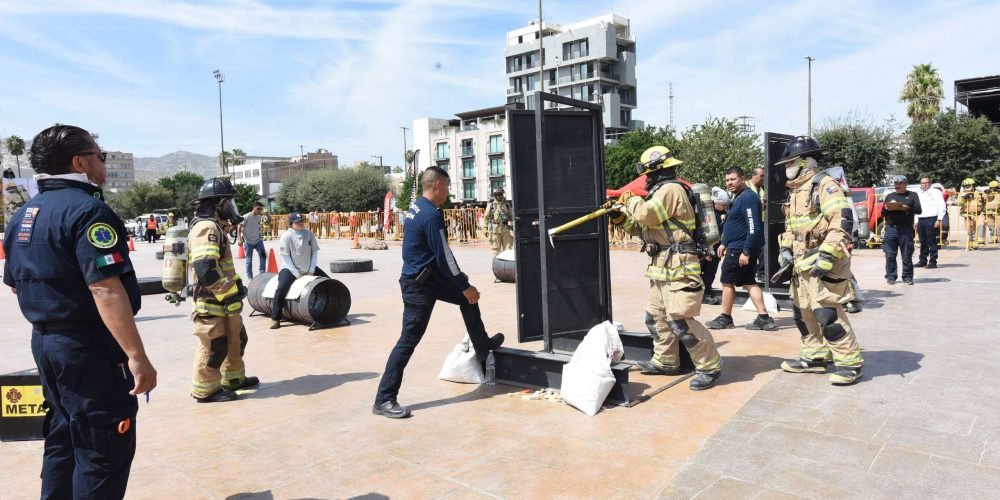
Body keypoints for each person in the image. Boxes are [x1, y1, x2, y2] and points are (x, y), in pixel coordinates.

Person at [2, 125, 157, 498]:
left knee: (64, 435)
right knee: (103, 445)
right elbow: (104, 288)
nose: (103, 163)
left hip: (46, 344)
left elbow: (15, 283)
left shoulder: (23, 215)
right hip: (89, 348)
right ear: (80, 163)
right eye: (100, 156)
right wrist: (136, 356)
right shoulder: (89, 211)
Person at [373, 166, 504, 418]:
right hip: (418, 286)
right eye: (447, 186)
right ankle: (384, 399)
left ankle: (482, 346)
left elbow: (437, 256)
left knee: (469, 299)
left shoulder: (417, 207)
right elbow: (444, 255)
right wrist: (463, 284)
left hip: (430, 278)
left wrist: (463, 285)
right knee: (408, 341)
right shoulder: (430, 215)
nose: (448, 192)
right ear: (437, 185)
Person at [613, 145, 723, 390]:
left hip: (680, 267)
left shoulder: (670, 189)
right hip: (661, 267)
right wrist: (620, 219)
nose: (646, 179)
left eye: (648, 173)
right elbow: (646, 229)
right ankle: (666, 360)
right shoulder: (660, 192)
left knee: (681, 322)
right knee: (656, 318)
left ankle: (709, 367)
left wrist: (630, 199)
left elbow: (647, 215)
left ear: (658, 170)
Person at [774, 136, 863, 385]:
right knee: (803, 312)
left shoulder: (825, 185)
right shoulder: (796, 190)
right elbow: (792, 227)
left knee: (827, 313)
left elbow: (841, 221)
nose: (786, 167)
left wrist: (827, 255)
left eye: (790, 162)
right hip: (801, 262)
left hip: (823, 261)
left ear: (805, 161)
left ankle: (850, 363)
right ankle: (815, 356)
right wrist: (785, 248)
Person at [188, 177, 258, 403]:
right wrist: (228, 294)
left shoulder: (216, 227)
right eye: (229, 202)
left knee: (237, 339)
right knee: (214, 347)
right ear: (217, 203)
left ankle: (234, 379)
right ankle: (205, 390)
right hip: (212, 301)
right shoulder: (206, 228)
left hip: (226, 300)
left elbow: (223, 266)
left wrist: (237, 286)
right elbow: (205, 268)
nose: (232, 207)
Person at [706, 166, 774, 330]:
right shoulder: (739, 197)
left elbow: (753, 226)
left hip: (740, 249)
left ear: (743, 179)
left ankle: (725, 317)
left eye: (733, 179)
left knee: (727, 281)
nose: (729, 183)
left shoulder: (748, 198)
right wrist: (724, 242)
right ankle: (764, 318)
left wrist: (746, 251)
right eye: (727, 180)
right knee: (749, 281)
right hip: (737, 246)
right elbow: (736, 224)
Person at [270, 212, 329, 329]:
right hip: (290, 268)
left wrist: (311, 270)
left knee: (328, 282)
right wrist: (296, 274)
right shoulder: (286, 236)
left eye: (302, 221)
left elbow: (314, 252)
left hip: (308, 267)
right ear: (291, 224)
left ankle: (329, 311)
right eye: (298, 222)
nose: (301, 223)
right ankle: (275, 318)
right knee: (281, 288)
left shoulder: (309, 234)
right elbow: (286, 257)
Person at [882, 175, 921, 285]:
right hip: (891, 229)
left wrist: (907, 208)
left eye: (900, 183)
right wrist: (886, 208)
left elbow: (919, 210)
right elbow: (883, 213)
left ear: (905, 184)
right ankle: (891, 276)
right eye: (896, 184)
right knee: (890, 255)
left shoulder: (912, 195)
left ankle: (907, 277)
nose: (897, 186)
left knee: (907, 254)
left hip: (905, 229)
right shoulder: (890, 196)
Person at [701, 187, 730, 306]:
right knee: (704, 272)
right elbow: (703, 232)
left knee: (711, 272)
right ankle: (703, 294)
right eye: (723, 205)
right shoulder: (709, 215)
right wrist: (707, 250)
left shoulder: (720, 214)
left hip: (716, 248)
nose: (725, 207)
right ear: (716, 202)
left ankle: (706, 291)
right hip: (706, 248)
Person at [915, 177, 947, 268]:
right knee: (922, 241)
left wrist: (939, 219)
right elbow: (917, 208)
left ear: (930, 183)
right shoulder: (918, 193)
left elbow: (942, 206)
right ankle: (923, 260)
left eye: (926, 182)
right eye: (922, 183)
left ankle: (933, 261)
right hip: (921, 219)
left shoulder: (936, 192)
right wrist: (916, 221)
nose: (924, 184)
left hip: (931, 218)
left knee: (931, 241)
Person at [238, 201, 266, 280]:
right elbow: (239, 227)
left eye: (261, 209)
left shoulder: (259, 217)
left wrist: (260, 233)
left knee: (263, 256)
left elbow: (258, 225)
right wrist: (239, 239)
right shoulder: (246, 216)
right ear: (254, 208)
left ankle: (262, 273)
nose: (260, 211)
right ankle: (250, 276)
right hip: (248, 242)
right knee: (249, 260)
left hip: (258, 241)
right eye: (258, 209)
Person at [484, 188, 513, 256]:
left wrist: (513, 226)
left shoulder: (507, 205)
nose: (500, 196)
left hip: (505, 230)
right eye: (498, 195)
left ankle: (506, 263)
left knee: (508, 250)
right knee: (496, 251)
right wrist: (485, 228)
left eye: (501, 194)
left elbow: (511, 217)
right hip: (495, 231)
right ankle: (495, 263)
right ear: (495, 196)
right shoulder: (491, 205)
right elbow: (486, 218)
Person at [957, 178, 983, 250]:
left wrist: (988, 193)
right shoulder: (962, 194)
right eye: (965, 186)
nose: (966, 188)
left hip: (978, 213)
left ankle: (979, 241)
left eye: (968, 186)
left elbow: (985, 199)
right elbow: (958, 203)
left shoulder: (978, 192)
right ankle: (971, 242)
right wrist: (963, 198)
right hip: (967, 214)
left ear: (973, 186)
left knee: (980, 224)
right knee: (969, 227)